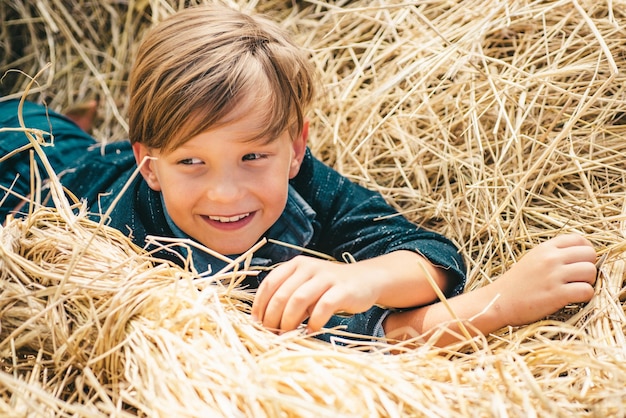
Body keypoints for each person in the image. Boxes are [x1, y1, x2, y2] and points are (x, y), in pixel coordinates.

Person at [0, 4, 598, 347]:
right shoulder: (102, 225)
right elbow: (349, 343)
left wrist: (363, 278)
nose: (226, 192)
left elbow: (430, 255)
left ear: (294, 148)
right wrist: (494, 307)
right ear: (151, 167)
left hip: (94, 147)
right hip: (25, 153)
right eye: (191, 162)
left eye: (253, 156)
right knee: (33, 120)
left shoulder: (309, 186)